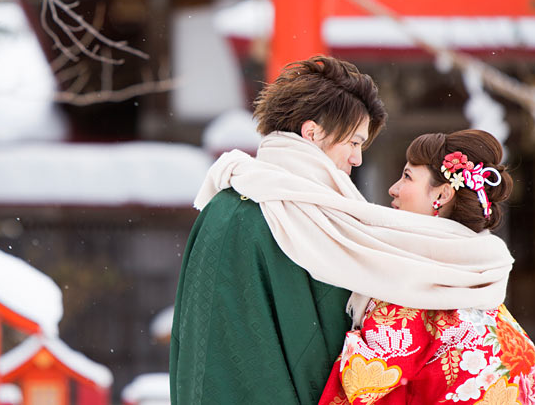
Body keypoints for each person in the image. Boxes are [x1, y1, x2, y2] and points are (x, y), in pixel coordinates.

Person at [171, 56, 515, 405]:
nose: (357, 159)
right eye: (353, 143)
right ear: (313, 132)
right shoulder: (258, 214)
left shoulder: (302, 213)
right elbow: (239, 358)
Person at [317, 130, 535, 405]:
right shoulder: (482, 287)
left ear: (442, 193)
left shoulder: (411, 283)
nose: (393, 189)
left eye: (407, 177)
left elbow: (361, 382)